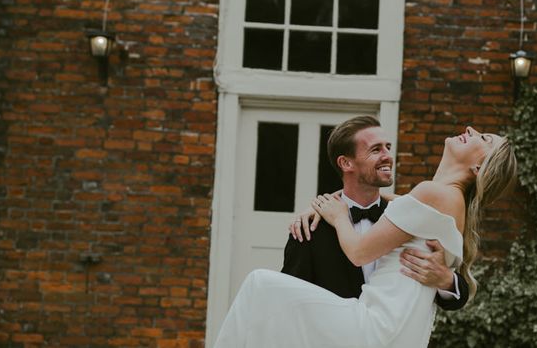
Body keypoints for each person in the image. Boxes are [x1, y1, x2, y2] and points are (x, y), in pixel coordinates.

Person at [212, 124, 517, 348]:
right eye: (375, 149)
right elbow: (401, 203)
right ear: (346, 163)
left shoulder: (432, 195)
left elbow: (358, 252)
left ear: (479, 166)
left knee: (258, 285)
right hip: (397, 332)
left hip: (374, 328)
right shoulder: (446, 201)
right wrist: (329, 203)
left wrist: (339, 216)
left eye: (483, 138)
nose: (471, 129)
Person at [282, 115, 468, 309]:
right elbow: (289, 298)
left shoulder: (407, 217)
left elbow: (458, 296)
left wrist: (446, 280)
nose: (388, 156)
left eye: (388, 147)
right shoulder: (310, 229)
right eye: (376, 149)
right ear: (346, 163)